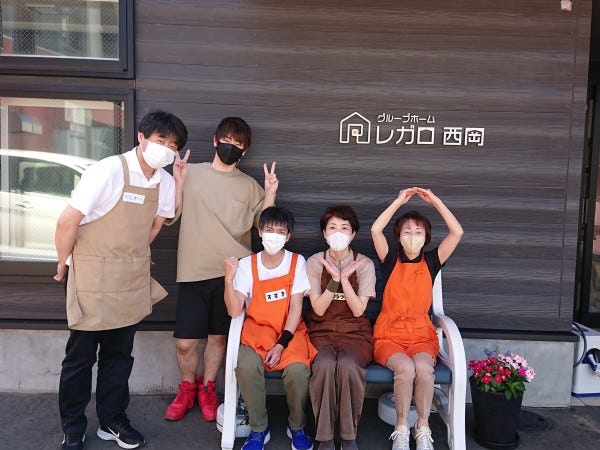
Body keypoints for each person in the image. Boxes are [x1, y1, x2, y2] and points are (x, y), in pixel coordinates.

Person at [54, 110, 190, 450]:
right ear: (141, 137)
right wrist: (63, 262)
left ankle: (112, 420)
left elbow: (157, 224)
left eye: (173, 146)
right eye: (160, 140)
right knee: (80, 358)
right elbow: (67, 221)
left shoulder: (164, 182)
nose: (166, 149)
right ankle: (73, 426)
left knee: (119, 355)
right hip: (92, 276)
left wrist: (132, 255)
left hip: (130, 278)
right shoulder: (108, 170)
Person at [164, 117, 278, 423]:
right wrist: (178, 181)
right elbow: (170, 215)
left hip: (232, 275)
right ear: (215, 141)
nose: (231, 147)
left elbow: (265, 227)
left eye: (238, 144)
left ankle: (208, 389)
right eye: (227, 140)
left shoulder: (249, 186)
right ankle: (187, 388)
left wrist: (269, 194)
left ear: (245, 150)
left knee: (218, 339)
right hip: (193, 270)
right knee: (186, 343)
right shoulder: (191, 172)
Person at [371, 187, 463, 450]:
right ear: (399, 237)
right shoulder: (390, 259)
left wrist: (435, 200)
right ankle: (401, 428)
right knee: (406, 368)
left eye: (418, 232)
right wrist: (399, 201)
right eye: (407, 231)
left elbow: (457, 232)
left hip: (422, 335)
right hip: (389, 335)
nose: (412, 236)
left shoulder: (432, 261)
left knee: (423, 369)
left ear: (426, 237)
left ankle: (423, 427)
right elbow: (376, 230)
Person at [224, 206, 317, 450]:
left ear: (288, 236)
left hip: (289, 333)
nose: (274, 236)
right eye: (269, 230)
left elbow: (296, 306)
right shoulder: (247, 265)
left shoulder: (297, 262)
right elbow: (234, 310)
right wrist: (228, 279)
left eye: (280, 231)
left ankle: (297, 425)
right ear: (260, 232)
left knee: (298, 371)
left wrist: (281, 344)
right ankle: (258, 428)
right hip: (256, 332)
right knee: (245, 367)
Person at [305, 205, 376, 450]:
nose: (338, 233)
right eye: (332, 227)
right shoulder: (315, 262)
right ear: (324, 233)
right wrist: (334, 280)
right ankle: (324, 437)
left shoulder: (364, 264)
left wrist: (344, 279)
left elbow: (358, 310)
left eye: (344, 228)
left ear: (353, 234)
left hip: (355, 332)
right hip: (321, 330)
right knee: (324, 365)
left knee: (348, 366)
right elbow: (318, 309)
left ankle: (348, 435)